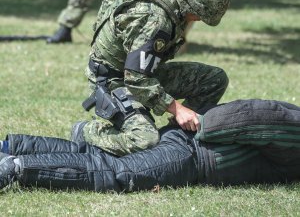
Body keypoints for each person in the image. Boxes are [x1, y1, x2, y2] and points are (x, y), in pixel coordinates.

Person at [73, 0, 230, 157]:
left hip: (141, 71)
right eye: (198, 15)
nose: (197, 20)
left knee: (214, 80)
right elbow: (136, 79)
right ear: (190, 5)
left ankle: (174, 136)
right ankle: (86, 131)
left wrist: (106, 32)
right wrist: (177, 109)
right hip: (114, 81)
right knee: (145, 140)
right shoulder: (156, 21)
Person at [1, 99, 299, 191]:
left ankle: (10, 145)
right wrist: (207, 126)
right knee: (115, 172)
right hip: (192, 154)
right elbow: (263, 114)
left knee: (94, 154)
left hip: (189, 146)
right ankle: (16, 167)